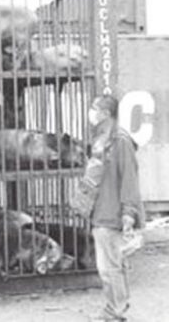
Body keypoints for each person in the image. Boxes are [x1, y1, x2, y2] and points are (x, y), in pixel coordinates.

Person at [87, 95, 145, 321]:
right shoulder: (103, 140)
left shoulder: (120, 141)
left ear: (105, 113)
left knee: (109, 267)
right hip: (101, 212)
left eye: (94, 108)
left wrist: (128, 213)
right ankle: (114, 308)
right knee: (109, 267)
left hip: (111, 214)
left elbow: (129, 178)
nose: (91, 113)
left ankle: (116, 311)